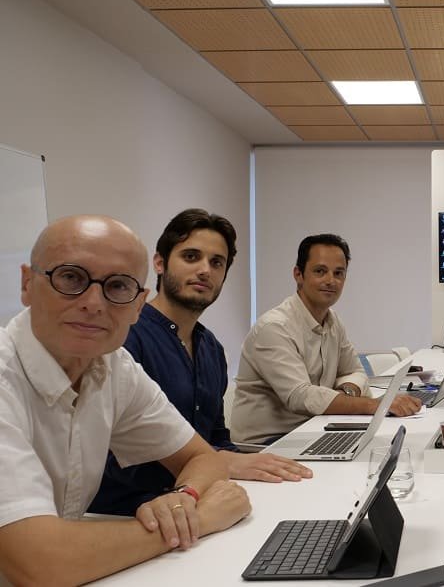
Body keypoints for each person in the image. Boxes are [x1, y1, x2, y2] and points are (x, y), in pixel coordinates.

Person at [0, 216, 251, 585]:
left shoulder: (113, 367)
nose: (93, 303)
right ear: (27, 284)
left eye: (118, 286)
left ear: (137, 305)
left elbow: (203, 458)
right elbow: (39, 562)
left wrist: (183, 498)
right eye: (70, 278)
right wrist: (198, 519)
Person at [90, 210, 311, 516]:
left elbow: (217, 437)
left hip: (199, 498)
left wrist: (246, 465)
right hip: (126, 515)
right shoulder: (125, 340)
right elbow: (112, 456)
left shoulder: (212, 349)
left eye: (216, 262)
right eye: (191, 257)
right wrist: (219, 463)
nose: (205, 270)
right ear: (160, 263)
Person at [231, 234, 421, 444]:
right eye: (320, 271)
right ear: (298, 274)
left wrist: (345, 392)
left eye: (338, 273)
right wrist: (378, 405)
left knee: (389, 445)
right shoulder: (274, 327)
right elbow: (301, 397)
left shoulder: (333, 322)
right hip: (267, 444)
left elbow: (356, 372)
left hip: (315, 429)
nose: (331, 281)